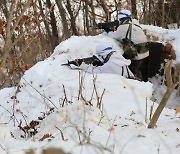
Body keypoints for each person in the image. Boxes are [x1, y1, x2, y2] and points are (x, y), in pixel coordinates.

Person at [108, 9, 149, 81]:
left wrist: (108, 31)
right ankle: (145, 83)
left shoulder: (123, 27)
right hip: (145, 52)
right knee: (141, 71)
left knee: (134, 75)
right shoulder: (136, 24)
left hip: (136, 55)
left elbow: (114, 36)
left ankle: (140, 87)